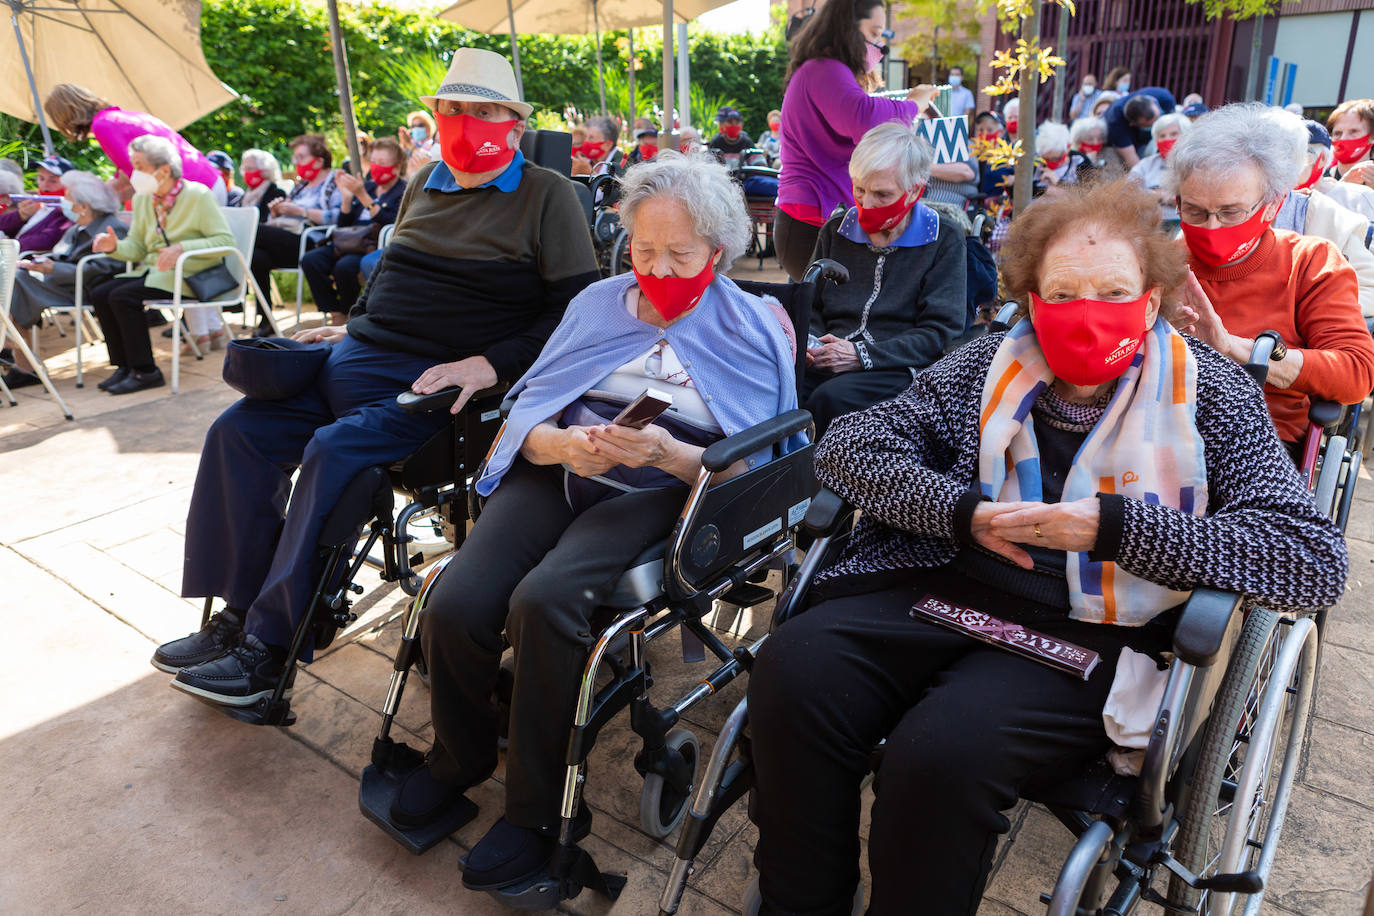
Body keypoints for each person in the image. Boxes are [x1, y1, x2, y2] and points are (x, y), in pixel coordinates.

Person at [746, 177, 1347, 916]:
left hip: (1091, 628)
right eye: (1062, 293)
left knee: (941, 754)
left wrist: (1113, 527)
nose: (1084, 312)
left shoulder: (1214, 393)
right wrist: (963, 512)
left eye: (1112, 291)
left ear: (1152, 300)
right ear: (1031, 300)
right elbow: (850, 447)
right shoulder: (984, 365)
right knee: (791, 673)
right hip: (939, 581)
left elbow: (1310, 559)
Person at [396, 151, 802, 893]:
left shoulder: (753, 326)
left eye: (680, 254)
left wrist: (676, 456)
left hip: (662, 489)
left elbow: (764, 471)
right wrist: (553, 444)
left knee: (544, 601)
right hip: (564, 468)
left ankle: (538, 815)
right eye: (644, 250)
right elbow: (531, 405)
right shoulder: (596, 304)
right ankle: (455, 760)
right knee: (455, 599)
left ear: (719, 249)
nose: (658, 269)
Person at [152, 48, 601, 709]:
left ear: (513, 122)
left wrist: (494, 364)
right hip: (354, 362)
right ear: (437, 115)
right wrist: (349, 324)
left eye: (485, 112)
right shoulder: (423, 183)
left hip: (438, 391)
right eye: (454, 110)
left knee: (334, 454)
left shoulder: (548, 195)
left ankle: (267, 651)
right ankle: (237, 613)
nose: (466, 123)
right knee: (237, 432)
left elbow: (577, 312)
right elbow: (390, 276)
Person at [1167, 103, 1374, 445]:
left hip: (1260, 437)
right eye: (1194, 211)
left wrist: (1237, 349)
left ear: (1274, 205)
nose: (1211, 226)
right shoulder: (1162, 263)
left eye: (1231, 213)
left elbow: (1355, 371)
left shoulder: (1310, 262)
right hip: (1158, 428)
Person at [804, 121, 965, 438]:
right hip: (828, 356)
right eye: (859, 190)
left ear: (915, 190)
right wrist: (812, 345)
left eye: (882, 194)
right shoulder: (836, 230)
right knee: (774, 385)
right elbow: (807, 306)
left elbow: (940, 331)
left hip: (899, 365)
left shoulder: (943, 237)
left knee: (829, 399)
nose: (866, 203)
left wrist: (860, 355)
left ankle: (817, 483)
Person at [774, 0, 926, 280]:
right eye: (875, 32)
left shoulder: (821, 70)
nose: (880, 45)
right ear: (848, 29)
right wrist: (914, 105)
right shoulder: (824, 69)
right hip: (811, 218)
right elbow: (865, 118)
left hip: (813, 215)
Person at [88, 135, 234, 393]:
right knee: (100, 293)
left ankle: (146, 372)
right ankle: (124, 366)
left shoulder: (198, 195)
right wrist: (115, 247)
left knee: (122, 297)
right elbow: (138, 247)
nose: (134, 173)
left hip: (189, 274)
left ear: (164, 170)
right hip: (156, 272)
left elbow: (224, 240)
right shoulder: (144, 199)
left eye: (140, 166)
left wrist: (182, 248)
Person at [3, 172, 126, 389]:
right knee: (11, 280)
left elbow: (103, 268)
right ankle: (17, 350)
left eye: (68, 197)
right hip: (62, 281)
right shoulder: (78, 225)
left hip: (83, 286)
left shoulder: (109, 227)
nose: (63, 201)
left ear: (84, 205)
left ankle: (15, 346)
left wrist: (53, 267)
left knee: (10, 283)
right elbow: (62, 254)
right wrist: (43, 262)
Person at [43, 83, 226, 202]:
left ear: (64, 116)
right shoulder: (123, 117)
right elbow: (126, 175)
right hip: (209, 180)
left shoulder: (102, 126)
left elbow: (138, 177)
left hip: (193, 192)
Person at [1275, 119, 1374, 323]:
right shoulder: (1224, 203)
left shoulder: (1339, 206)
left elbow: (1366, 284)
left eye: (1305, 155)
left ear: (1321, 160)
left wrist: (1310, 312)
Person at [299, 137, 407, 324]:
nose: (376, 166)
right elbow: (343, 223)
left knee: (344, 267)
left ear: (396, 167)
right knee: (310, 260)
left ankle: (349, 315)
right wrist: (347, 199)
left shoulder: (403, 191)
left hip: (370, 244)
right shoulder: (368, 186)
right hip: (347, 240)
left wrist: (363, 196)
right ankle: (335, 313)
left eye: (382, 163)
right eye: (373, 161)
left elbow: (391, 222)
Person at [249, 133, 342, 331]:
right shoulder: (301, 185)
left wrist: (302, 211)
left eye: (301, 157)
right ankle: (265, 318)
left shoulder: (335, 181)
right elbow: (282, 220)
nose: (296, 162)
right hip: (290, 242)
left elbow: (339, 217)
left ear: (318, 162)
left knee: (253, 232)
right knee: (256, 257)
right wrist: (276, 213)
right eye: (295, 158)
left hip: (315, 242)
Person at [1298, 120, 1374, 224]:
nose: (1343, 139)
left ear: (1322, 159)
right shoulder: (1273, 196)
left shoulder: (1360, 197)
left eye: (1301, 154)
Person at [0, 155, 72, 253]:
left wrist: (8, 246)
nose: (44, 185)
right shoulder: (37, 203)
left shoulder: (67, 209)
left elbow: (46, 240)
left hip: (26, 261)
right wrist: (21, 216)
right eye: (41, 178)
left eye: (53, 181)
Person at [1128, 111, 1190, 222]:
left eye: (1173, 134)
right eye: (1162, 136)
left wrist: (1152, 195)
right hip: (1149, 224)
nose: (1167, 139)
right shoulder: (1146, 165)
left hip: (1183, 224)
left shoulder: (1195, 164)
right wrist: (1166, 196)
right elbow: (1129, 193)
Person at [1104, 86, 1175, 168]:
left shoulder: (1164, 98)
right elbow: (1131, 158)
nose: (1157, 123)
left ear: (1152, 101)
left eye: (1159, 116)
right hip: (1135, 144)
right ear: (1132, 124)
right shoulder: (1115, 121)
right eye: (1152, 124)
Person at [1326, 98, 1374, 190]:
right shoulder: (1320, 179)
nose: (1343, 139)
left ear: (1372, 137)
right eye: (1337, 133)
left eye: (1353, 131)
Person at [1034, 121, 1091, 191]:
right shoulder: (1036, 162)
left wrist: (1059, 182)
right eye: (1046, 159)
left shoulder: (1080, 161)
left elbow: (1089, 193)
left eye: (1055, 159)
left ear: (1068, 149)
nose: (1050, 162)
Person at [236, 149, 289, 223]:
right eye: (245, 169)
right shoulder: (245, 195)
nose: (246, 173)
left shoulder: (276, 194)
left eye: (250, 169)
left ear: (265, 171)